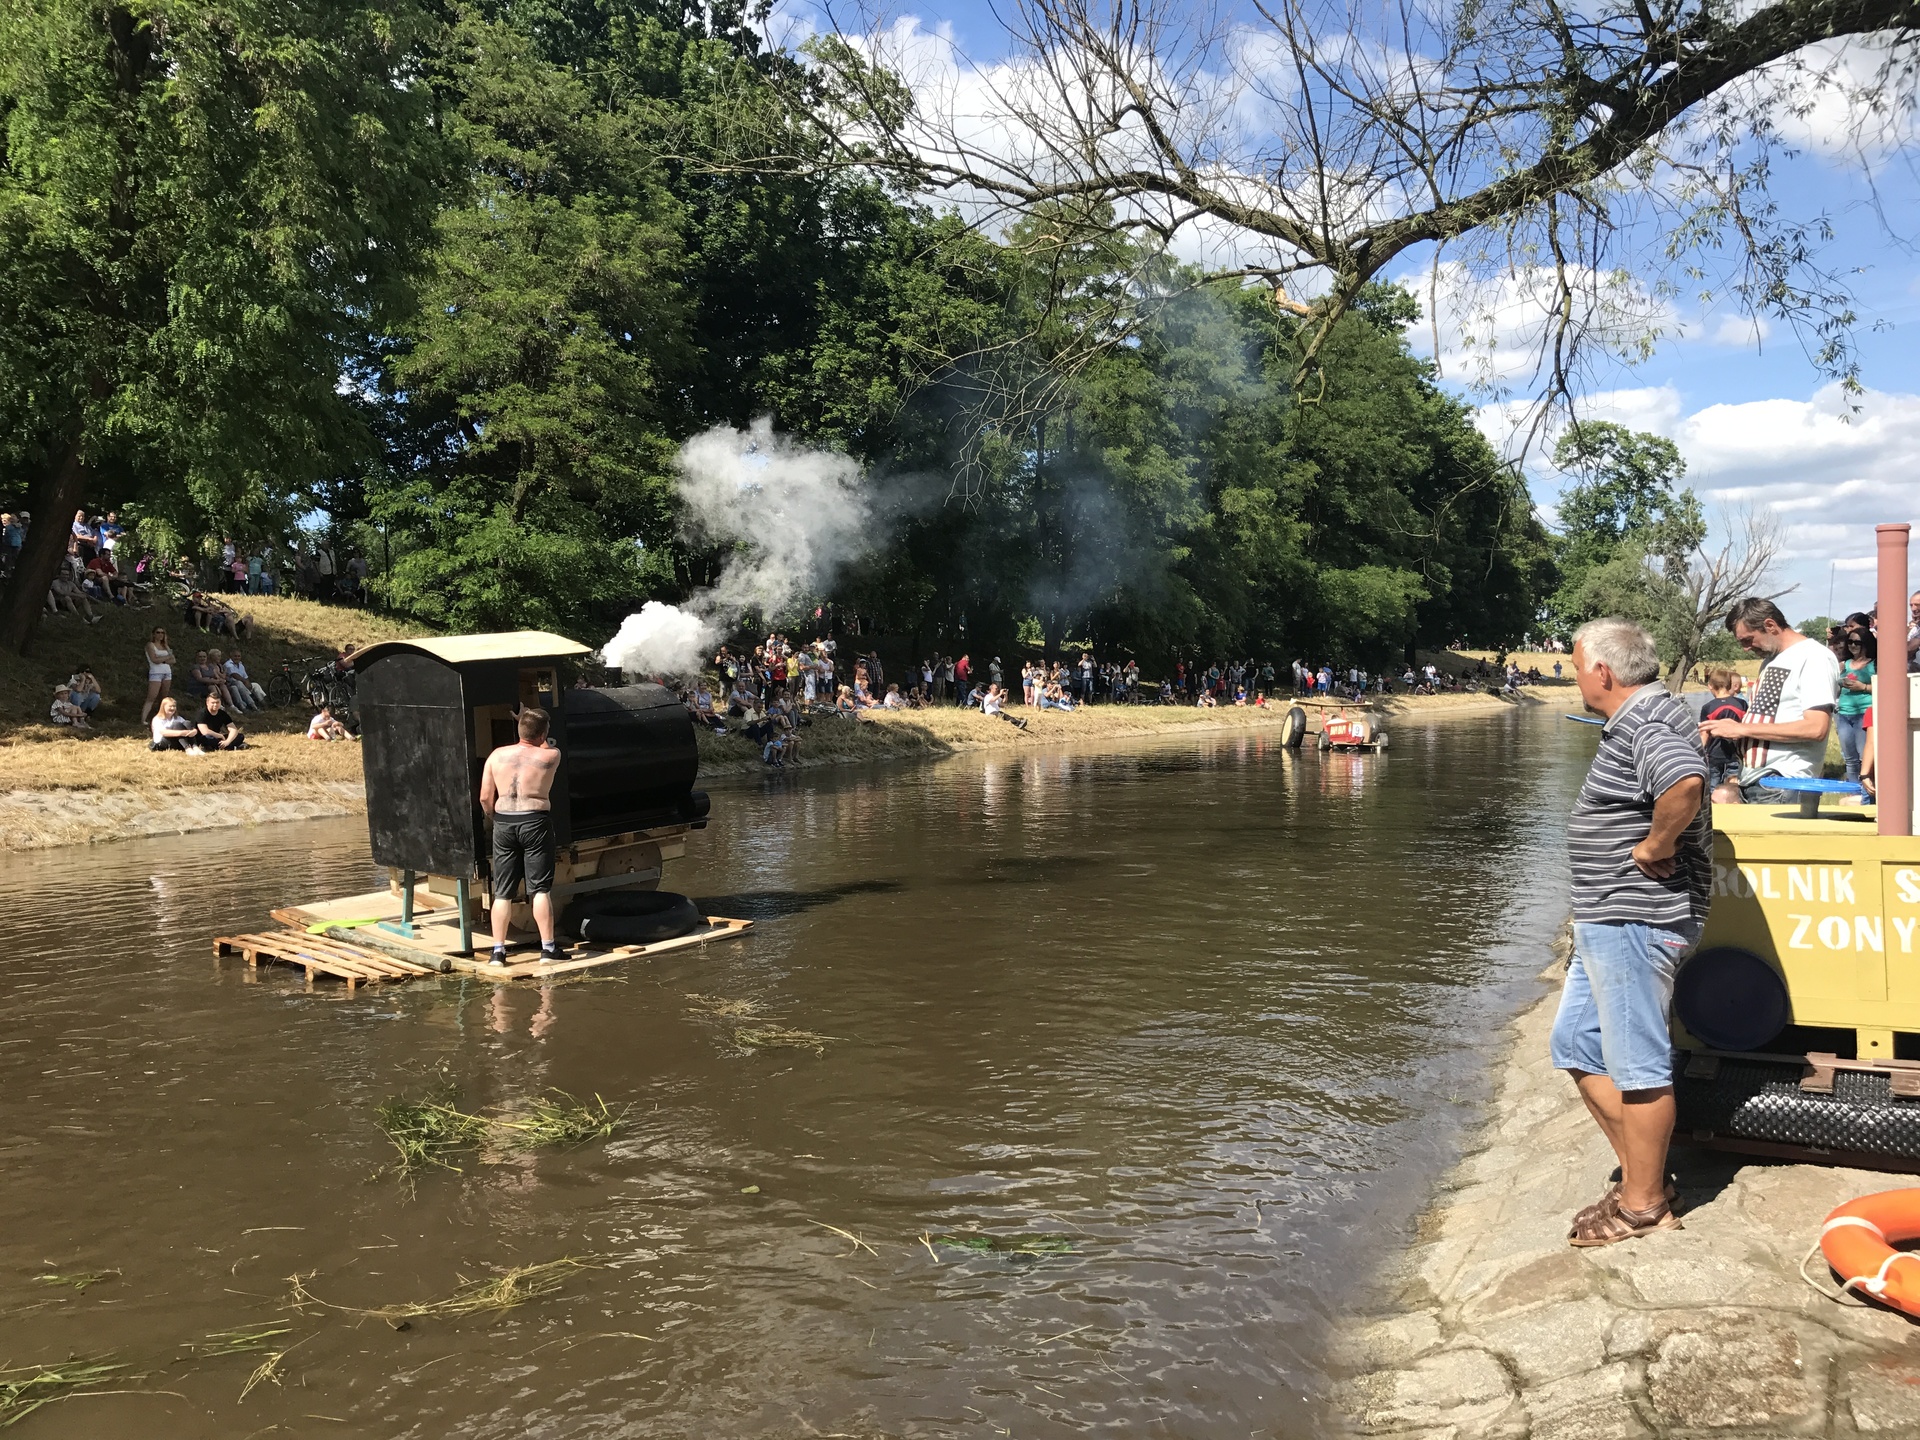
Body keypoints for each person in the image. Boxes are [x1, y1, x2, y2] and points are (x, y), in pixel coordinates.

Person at [1554, 617, 1708, 1247]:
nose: (1572, 674)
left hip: (1635, 919)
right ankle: (1647, 1180)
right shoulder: (1645, 719)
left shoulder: (1644, 723)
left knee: (1638, 1067)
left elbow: (1685, 785)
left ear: (1602, 671)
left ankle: (1643, 1204)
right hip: (1609, 919)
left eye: (1574, 663)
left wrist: (1653, 844)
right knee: (1575, 1046)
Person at [1699, 598, 1840, 805]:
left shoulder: (1814, 657)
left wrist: (1742, 730)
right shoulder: (1771, 660)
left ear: (1770, 625)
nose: (1746, 648)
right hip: (1758, 781)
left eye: (1748, 640)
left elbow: (1816, 728)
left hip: (1784, 782)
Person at [478, 707, 565, 967]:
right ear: (544, 733)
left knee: (502, 892)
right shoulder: (551, 755)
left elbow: (484, 797)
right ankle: (548, 950)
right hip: (534, 821)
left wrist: (495, 818)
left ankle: (498, 952)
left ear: (519, 730)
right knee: (539, 889)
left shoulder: (496, 755)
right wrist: (533, 724)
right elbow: (546, 742)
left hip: (504, 822)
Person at [1696, 665, 1748, 788]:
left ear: (1710, 686)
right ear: (1730, 685)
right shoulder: (1741, 704)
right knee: (1734, 784)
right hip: (1736, 754)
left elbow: (1704, 733)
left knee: (1713, 785)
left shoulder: (1708, 707)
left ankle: (1714, 806)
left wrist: (1699, 754)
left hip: (1714, 754)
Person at [1836, 629, 1876, 785]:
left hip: (1864, 714)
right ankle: (1853, 793)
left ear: (1866, 643)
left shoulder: (1875, 664)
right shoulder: (1844, 664)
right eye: (1850, 642)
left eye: (1857, 642)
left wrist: (1863, 687)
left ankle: (1867, 793)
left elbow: (1884, 687)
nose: (1853, 645)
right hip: (1844, 714)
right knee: (1850, 759)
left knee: (1864, 757)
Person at [142, 628, 175, 725]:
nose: (160, 635)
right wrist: (166, 658)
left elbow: (173, 660)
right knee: (151, 697)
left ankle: (163, 717)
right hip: (156, 672)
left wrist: (162, 659)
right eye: (158, 632)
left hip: (167, 672)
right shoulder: (150, 645)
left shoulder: (165, 646)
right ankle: (143, 719)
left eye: (162, 633)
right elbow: (154, 659)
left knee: (164, 697)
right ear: (153, 634)